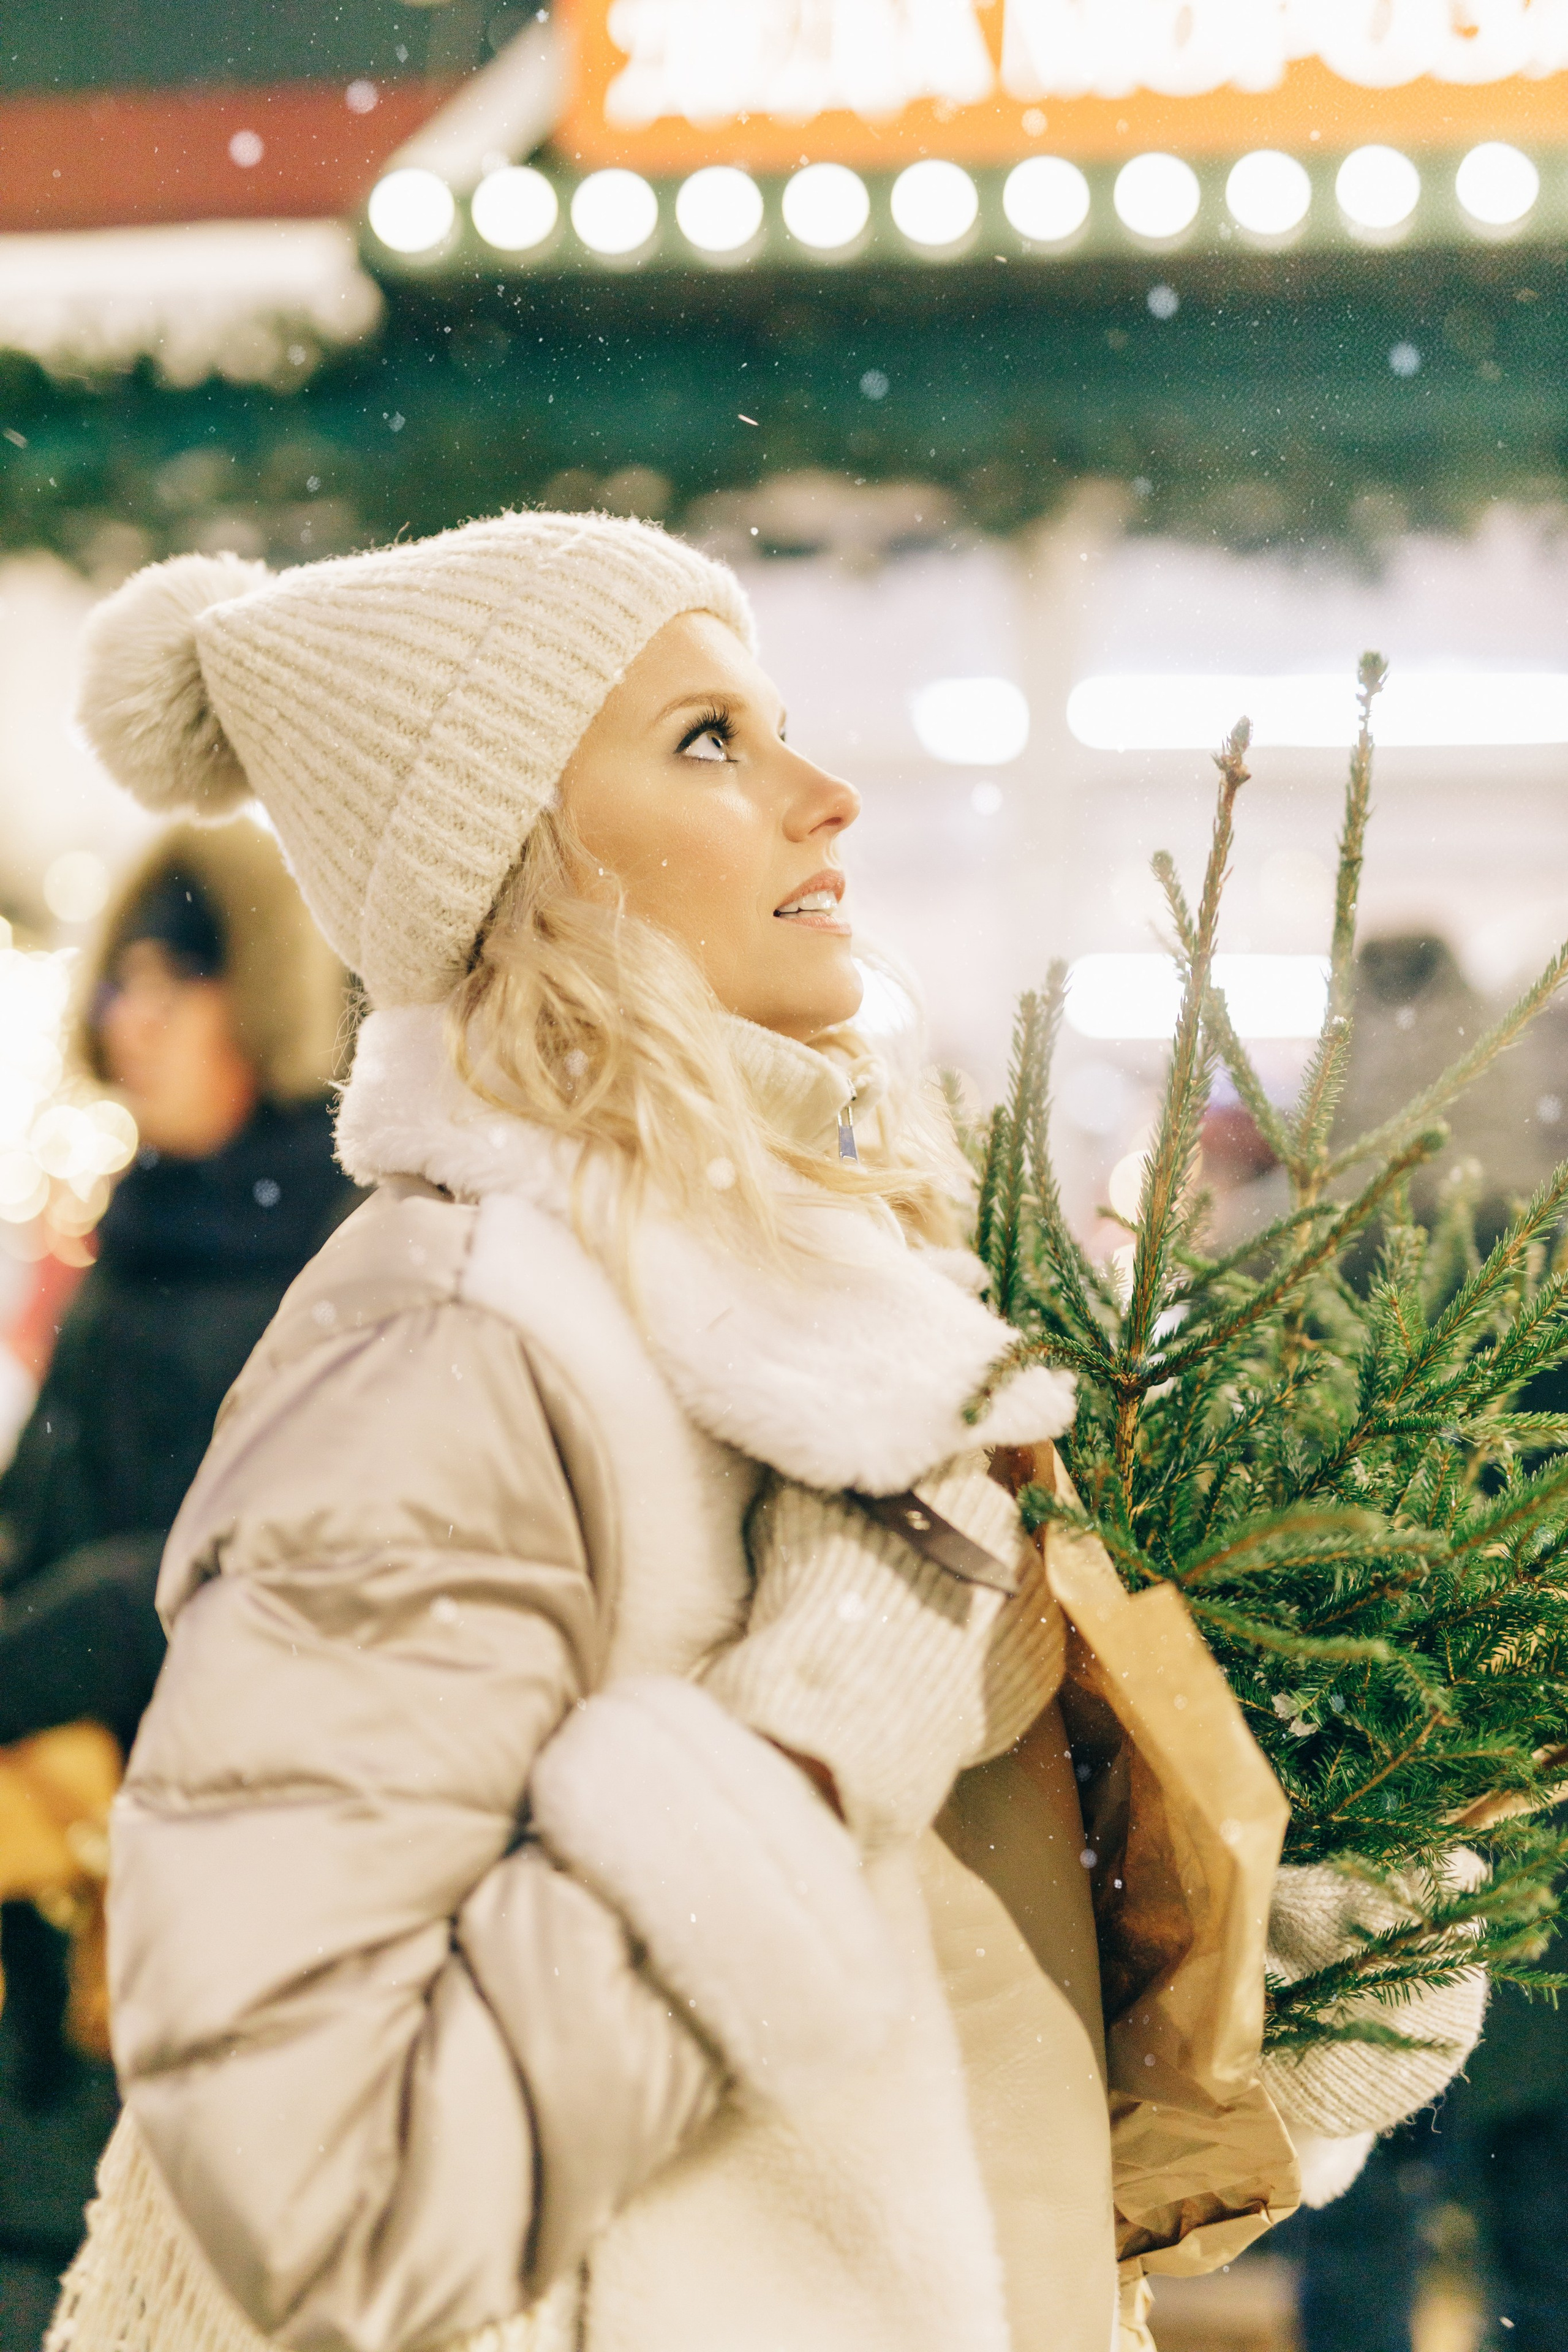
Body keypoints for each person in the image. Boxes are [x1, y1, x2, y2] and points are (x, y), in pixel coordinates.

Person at [47, 516, 1482, 2352]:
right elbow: (338, 2204)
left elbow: (883, 2132)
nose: (827, 796)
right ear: (517, 856)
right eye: (709, 740)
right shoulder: (457, 1342)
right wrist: (812, 1740)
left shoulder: (838, 1320)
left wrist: (1264, 1983)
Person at [0, 822, 356, 2350]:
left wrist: (67, 1621)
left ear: (254, 1000)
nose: (122, 1022)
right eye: (119, 986)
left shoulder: (349, 1246)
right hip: (56, 1840)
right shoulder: (140, 1227)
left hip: (223, 1880)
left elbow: (299, 1555)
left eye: (168, 984)